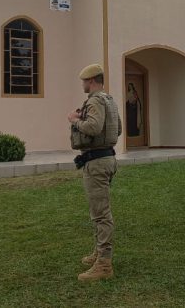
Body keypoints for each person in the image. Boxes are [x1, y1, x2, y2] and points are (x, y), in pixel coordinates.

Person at [67, 64, 122, 282]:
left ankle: (104, 264)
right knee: (98, 209)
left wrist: (74, 120)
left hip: (97, 162)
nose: (82, 84)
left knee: (101, 213)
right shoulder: (109, 100)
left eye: (83, 81)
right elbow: (117, 129)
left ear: (90, 81)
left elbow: (93, 127)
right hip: (107, 158)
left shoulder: (95, 100)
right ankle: (99, 253)